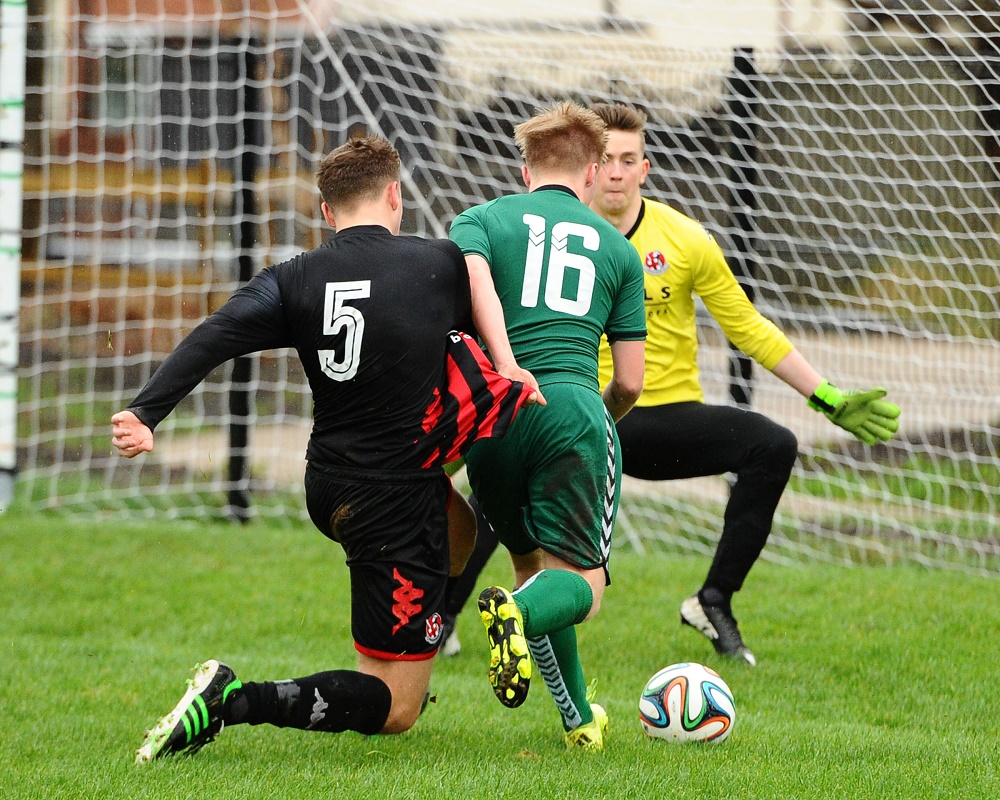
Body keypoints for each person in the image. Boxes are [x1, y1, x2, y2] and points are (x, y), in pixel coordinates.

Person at [111, 134, 539, 763]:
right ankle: (231, 703)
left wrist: (147, 412)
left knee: (462, 531)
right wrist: (511, 365)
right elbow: (478, 278)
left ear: (325, 211)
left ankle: (405, 656)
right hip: (390, 499)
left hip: (330, 484)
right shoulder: (439, 263)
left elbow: (215, 334)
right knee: (395, 712)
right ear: (395, 195)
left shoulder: (294, 278)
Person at [441, 103, 901, 668]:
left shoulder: (683, 239)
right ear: (588, 167)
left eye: (627, 160)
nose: (614, 171)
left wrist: (826, 395)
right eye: (606, 159)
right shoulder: (531, 233)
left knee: (773, 444)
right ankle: (444, 619)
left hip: (653, 418)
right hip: (573, 406)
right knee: (510, 474)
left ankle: (713, 600)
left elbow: (747, 326)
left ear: (645, 168)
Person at [448, 101, 647, 750]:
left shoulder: (478, 220)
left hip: (495, 421)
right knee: (581, 587)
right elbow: (631, 381)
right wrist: (595, 424)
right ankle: (518, 609)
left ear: (524, 167)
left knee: (532, 560)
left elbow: (458, 306)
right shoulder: (617, 249)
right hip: (569, 407)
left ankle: (578, 722)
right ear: (591, 173)